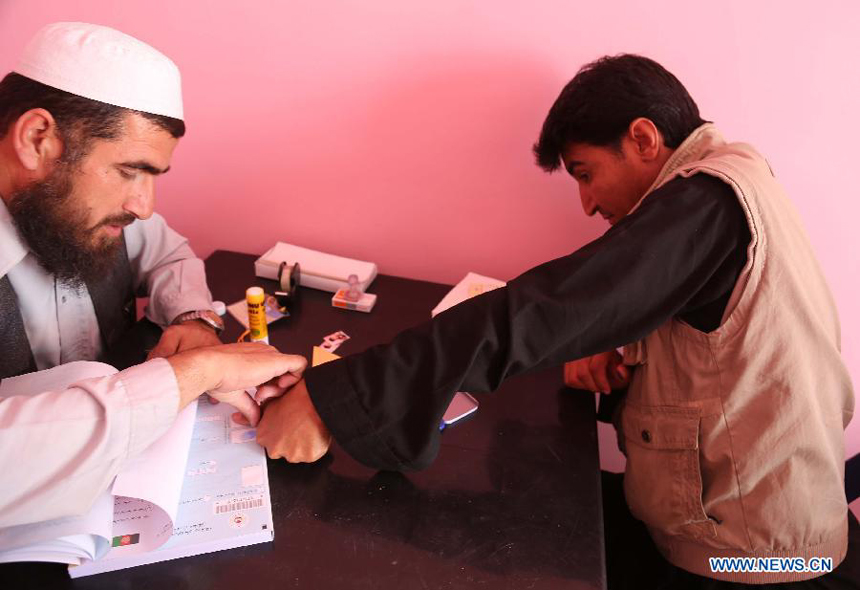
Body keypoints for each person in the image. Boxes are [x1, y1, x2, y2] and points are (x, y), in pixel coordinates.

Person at [254, 55, 857, 587]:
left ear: (644, 139)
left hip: (756, 565)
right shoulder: (734, 182)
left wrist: (331, 400)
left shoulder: (709, 201)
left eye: (585, 173)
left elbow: (543, 310)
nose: (587, 204)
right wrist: (623, 353)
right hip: (764, 534)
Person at [0, 23, 306, 528]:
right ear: (38, 139)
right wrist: (194, 374)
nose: (143, 206)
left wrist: (196, 322)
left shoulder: (87, 211)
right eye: (129, 171)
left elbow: (171, 255)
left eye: (152, 178)